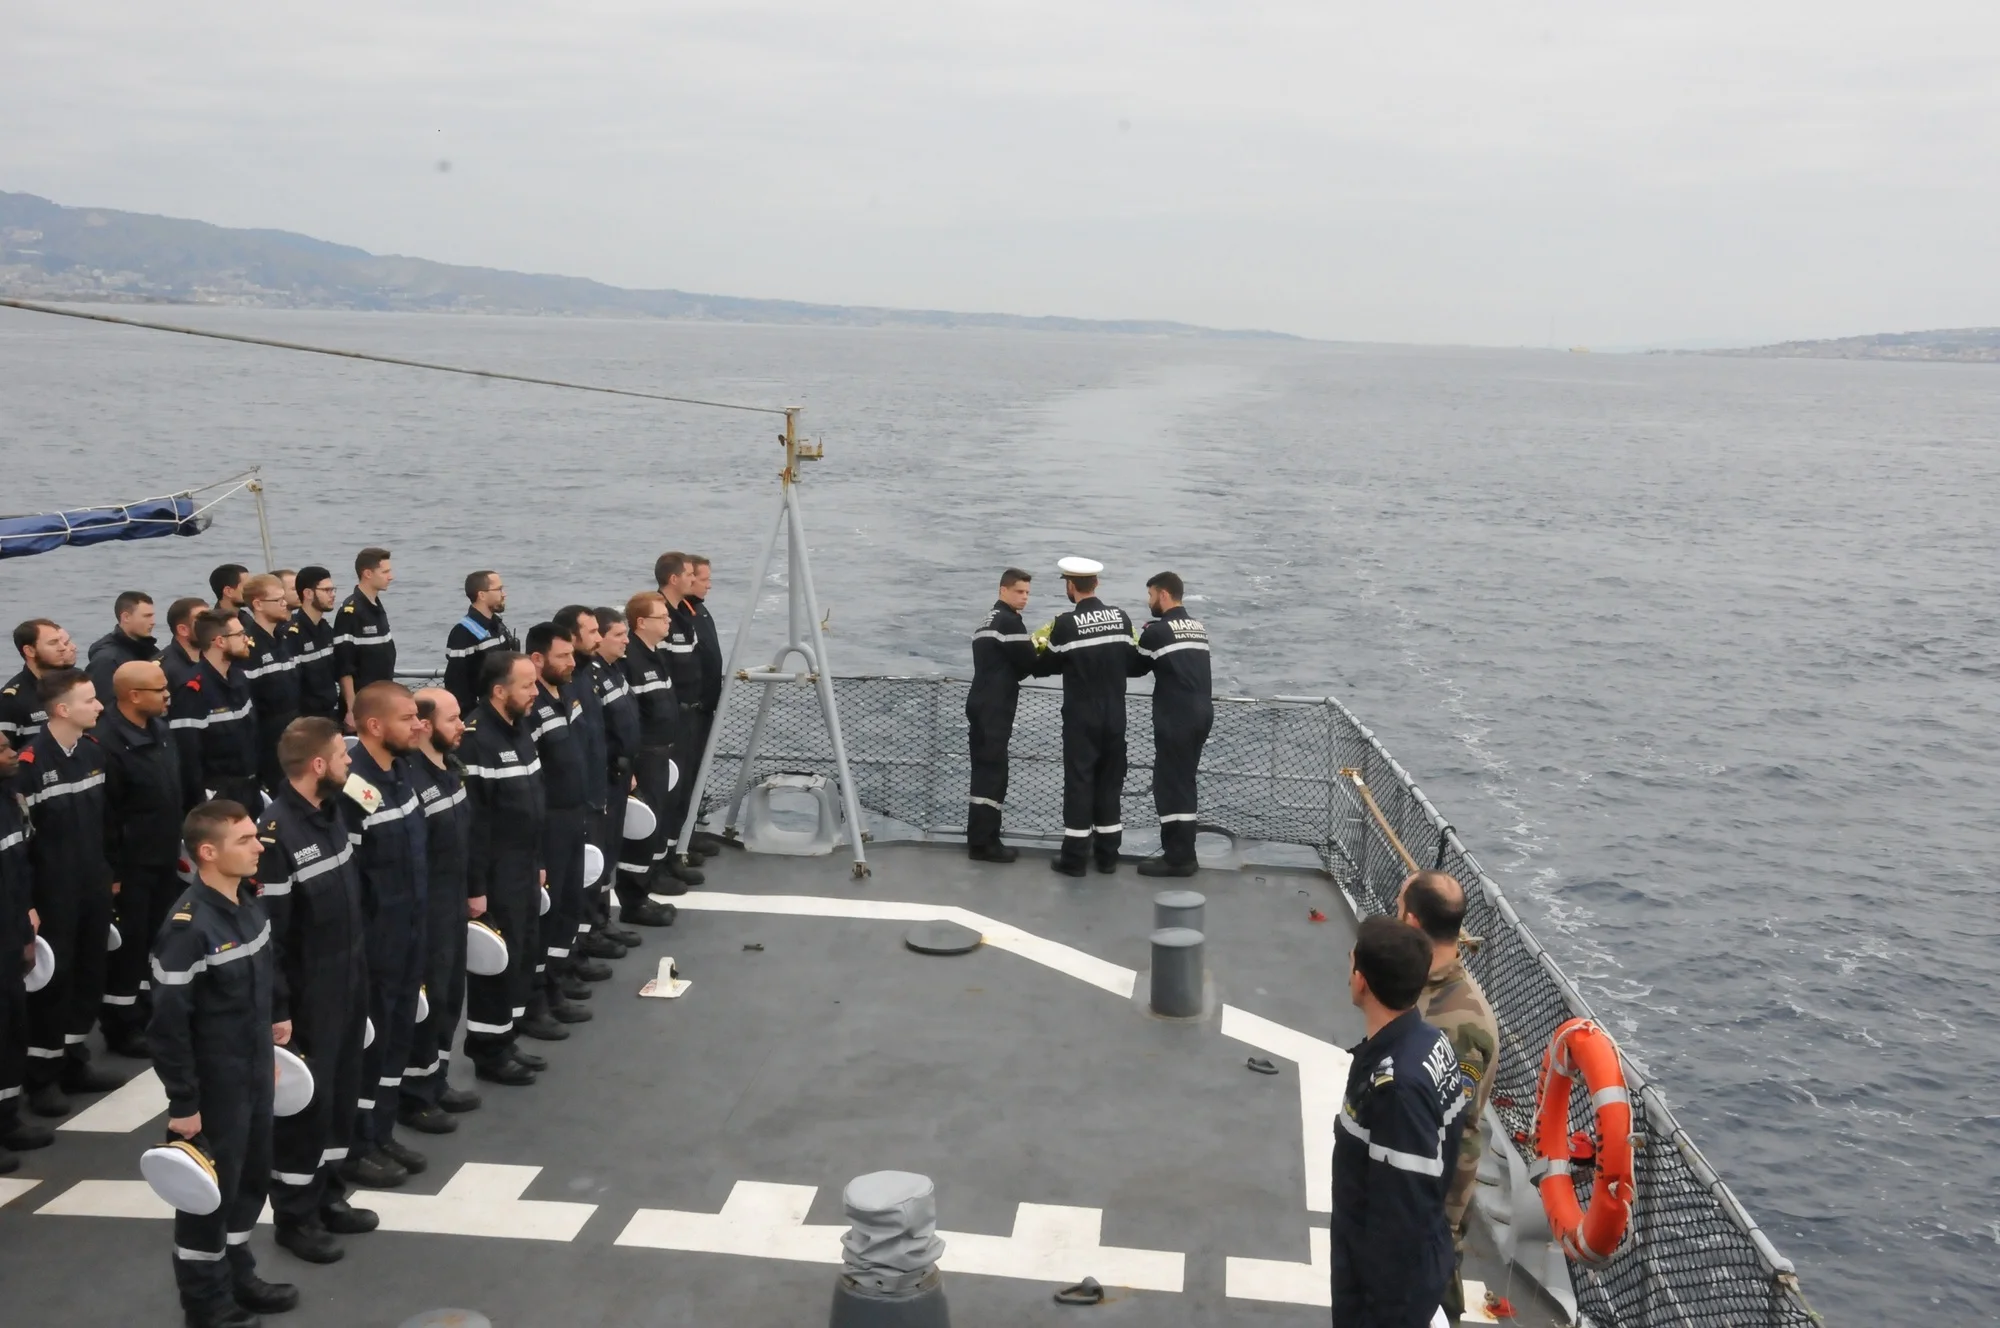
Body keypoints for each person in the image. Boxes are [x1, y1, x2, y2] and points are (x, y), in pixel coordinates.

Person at [148, 799, 299, 1328]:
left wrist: (273, 1033)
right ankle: (207, 1307)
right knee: (206, 1202)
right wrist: (184, 1104)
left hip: (252, 1070)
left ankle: (239, 1276)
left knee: (249, 1182)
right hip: (215, 1086)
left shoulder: (247, 901)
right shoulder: (188, 929)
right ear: (208, 852)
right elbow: (167, 1025)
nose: (259, 846)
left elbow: (263, 971)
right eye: (245, 840)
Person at [259, 717, 378, 1264]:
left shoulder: (331, 815)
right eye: (342, 755)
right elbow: (271, 935)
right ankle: (294, 1214)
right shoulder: (277, 834)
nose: (350, 761)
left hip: (347, 977)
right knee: (305, 1108)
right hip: (309, 995)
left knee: (340, 1093)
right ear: (317, 765)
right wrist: (279, 1008)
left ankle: (328, 1192)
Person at [1333, 915, 1467, 1328]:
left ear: (1362, 981)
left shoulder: (1397, 1089)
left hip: (1386, 1295)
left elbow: (1400, 1219)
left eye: (1353, 962)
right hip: (1408, 1266)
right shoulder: (1429, 1040)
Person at [12, 669, 127, 1116]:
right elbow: (21, 845)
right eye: (90, 701)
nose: (100, 707)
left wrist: (110, 875)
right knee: (52, 986)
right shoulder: (29, 766)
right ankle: (41, 1078)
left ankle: (75, 1059)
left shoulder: (92, 753)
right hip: (52, 892)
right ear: (62, 710)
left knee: (88, 974)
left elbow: (106, 821)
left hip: (92, 883)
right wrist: (29, 904)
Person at [341, 682, 431, 1186]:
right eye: (408, 718)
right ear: (374, 726)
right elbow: (353, 872)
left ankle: (381, 1129)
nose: (418, 724)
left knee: (399, 1033)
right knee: (370, 1043)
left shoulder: (401, 773)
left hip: (410, 927)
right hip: (377, 939)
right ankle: (355, 1144)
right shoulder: (355, 786)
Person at [1401, 871, 1500, 1320]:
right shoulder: (1421, 986)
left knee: (1429, 1284)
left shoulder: (1459, 1022)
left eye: (1399, 906)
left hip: (1431, 1189)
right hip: (1413, 1176)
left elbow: (1446, 1124)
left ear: (1413, 921)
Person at [459, 653, 549, 1085]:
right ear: (499, 691)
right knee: (496, 963)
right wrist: (475, 887)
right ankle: (487, 1049)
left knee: (522, 953)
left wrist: (540, 861)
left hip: (524, 862)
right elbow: (475, 823)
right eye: (527, 685)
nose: (535, 692)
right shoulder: (477, 741)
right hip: (495, 871)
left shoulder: (519, 729)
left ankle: (507, 1036)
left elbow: (532, 798)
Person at [399, 688, 481, 1130]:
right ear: (426, 726)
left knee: (450, 996)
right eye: (453, 719)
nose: (461, 727)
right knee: (426, 1002)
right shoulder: (409, 779)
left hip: (452, 903)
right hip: (425, 909)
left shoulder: (450, 771)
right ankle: (414, 1095)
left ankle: (438, 1079)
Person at [97, 660, 186, 1059]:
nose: (167, 694)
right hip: (132, 864)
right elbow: (107, 815)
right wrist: (113, 872)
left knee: (157, 940)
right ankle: (121, 1023)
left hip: (164, 855)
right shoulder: (109, 743)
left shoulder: (160, 730)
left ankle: (150, 1011)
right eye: (159, 689)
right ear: (134, 696)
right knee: (129, 947)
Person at [1032, 559, 1137, 877]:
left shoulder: (1065, 624)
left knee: (1080, 784)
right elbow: (1133, 662)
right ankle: (1107, 858)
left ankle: (1075, 859)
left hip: (1082, 719)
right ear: (1097, 584)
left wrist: (1036, 644)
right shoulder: (1121, 618)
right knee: (1109, 785)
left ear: (1070, 585)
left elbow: (1044, 666)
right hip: (1115, 718)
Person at [524, 622, 601, 1034]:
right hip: (550, 822)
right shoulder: (533, 709)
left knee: (569, 903)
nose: (572, 662)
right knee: (548, 912)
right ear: (537, 660)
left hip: (574, 815)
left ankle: (559, 978)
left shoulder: (565, 694)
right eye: (563, 656)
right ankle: (539, 995)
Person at [552, 606, 625, 965]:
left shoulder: (583, 678)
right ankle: (576, 948)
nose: (598, 639)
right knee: (576, 878)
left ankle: (592, 928)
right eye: (592, 632)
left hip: (596, 788)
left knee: (597, 865)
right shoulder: (567, 684)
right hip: (574, 801)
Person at [619, 592, 699, 912]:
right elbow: (630, 716)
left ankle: (654, 875)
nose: (668, 621)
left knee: (661, 819)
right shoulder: (632, 662)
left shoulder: (655, 655)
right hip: (646, 754)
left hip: (664, 751)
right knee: (643, 826)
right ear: (641, 623)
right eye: (661, 618)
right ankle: (634, 896)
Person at [1130, 572, 1212, 878]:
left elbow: (1134, 666)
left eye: (1150, 594)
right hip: (1202, 712)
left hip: (1177, 716)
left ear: (1163, 594)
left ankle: (1178, 858)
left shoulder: (1157, 631)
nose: (1149, 600)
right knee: (1185, 782)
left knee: (1169, 785)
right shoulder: (1197, 627)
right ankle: (1184, 852)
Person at [0, 730, 56, 1169]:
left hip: (10, 932)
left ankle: (7, 1120)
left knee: (11, 1030)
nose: (12, 753)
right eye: (2, 750)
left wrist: (25, 920)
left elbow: (17, 870)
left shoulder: (8, 799)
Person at [585, 606, 651, 937]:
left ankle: (603, 918)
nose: (626, 641)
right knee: (599, 851)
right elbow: (597, 734)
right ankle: (594, 924)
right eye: (618, 635)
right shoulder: (593, 678)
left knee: (610, 849)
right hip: (606, 776)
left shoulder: (615, 671)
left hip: (622, 772)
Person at [965, 568, 1036, 863]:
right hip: (995, 706)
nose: (1024, 598)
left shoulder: (988, 621)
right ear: (1002, 590)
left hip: (980, 702)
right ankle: (986, 844)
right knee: (994, 774)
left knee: (983, 771)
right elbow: (1029, 662)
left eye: (1027, 593)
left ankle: (980, 838)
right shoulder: (1009, 622)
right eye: (1019, 591)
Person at [169, 611, 259, 810]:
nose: (247, 639)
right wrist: (203, 800)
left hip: (249, 786)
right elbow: (188, 754)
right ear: (220, 641)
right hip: (218, 795)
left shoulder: (239, 679)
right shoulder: (193, 690)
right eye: (240, 634)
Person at [654, 554, 710, 867]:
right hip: (672, 718)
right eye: (689, 574)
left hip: (690, 714)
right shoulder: (664, 618)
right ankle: (664, 858)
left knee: (683, 785)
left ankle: (678, 847)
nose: (694, 579)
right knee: (669, 790)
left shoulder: (684, 615)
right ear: (674, 579)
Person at [239, 574, 301, 794]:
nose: (285, 604)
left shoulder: (282, 640)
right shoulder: (249, 647)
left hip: (291, 737)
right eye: (278, 600)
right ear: (258, 604)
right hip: (267, 743)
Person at [683, 556, 727, 856]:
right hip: (690, 710)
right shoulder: (682, 615)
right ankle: (679, 840)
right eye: (703, 579)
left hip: (704, 707)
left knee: (696, 771)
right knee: (685, 775)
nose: (708, 584)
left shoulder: (699, 610)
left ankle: (689, 831)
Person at [333, 547, 396, 731]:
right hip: (363, 705)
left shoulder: (376, 606)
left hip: (382, 699)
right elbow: (345, 666)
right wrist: (352, 710)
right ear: (367, 573)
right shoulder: (351, 612)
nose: (390, 576)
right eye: (385, 571)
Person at [443, 570, 518, 716]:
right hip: (481, 714)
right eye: (499, 589)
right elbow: (456, 682)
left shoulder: (497, 625)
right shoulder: (463, 632)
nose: (504, 594)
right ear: (481, 595)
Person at [1, 617, 77, 746]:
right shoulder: (11, 700)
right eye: (53, 643)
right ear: (29, 651)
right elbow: (6, 754)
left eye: (61, 641)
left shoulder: (76, 683)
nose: (63, 648)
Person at [285, 567, 341, 723]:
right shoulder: (293, 634)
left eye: (333, 589)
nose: (333, 594)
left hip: (328, 714)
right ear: (308, 593)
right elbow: (291, 684)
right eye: (327, 590)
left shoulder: (325, 629)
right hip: (306, 719)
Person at [85, 590, 160, 701]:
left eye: (152, 616)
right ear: (126, 617)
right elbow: (106, 704)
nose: (153, 622)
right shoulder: (106, 660)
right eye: (147, 616)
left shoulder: (150, 651)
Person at [162, 597, 209, 690]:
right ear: (183, 630)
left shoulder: (212, 658)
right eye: (203, 621)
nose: (211, 626)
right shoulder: (165, 670)